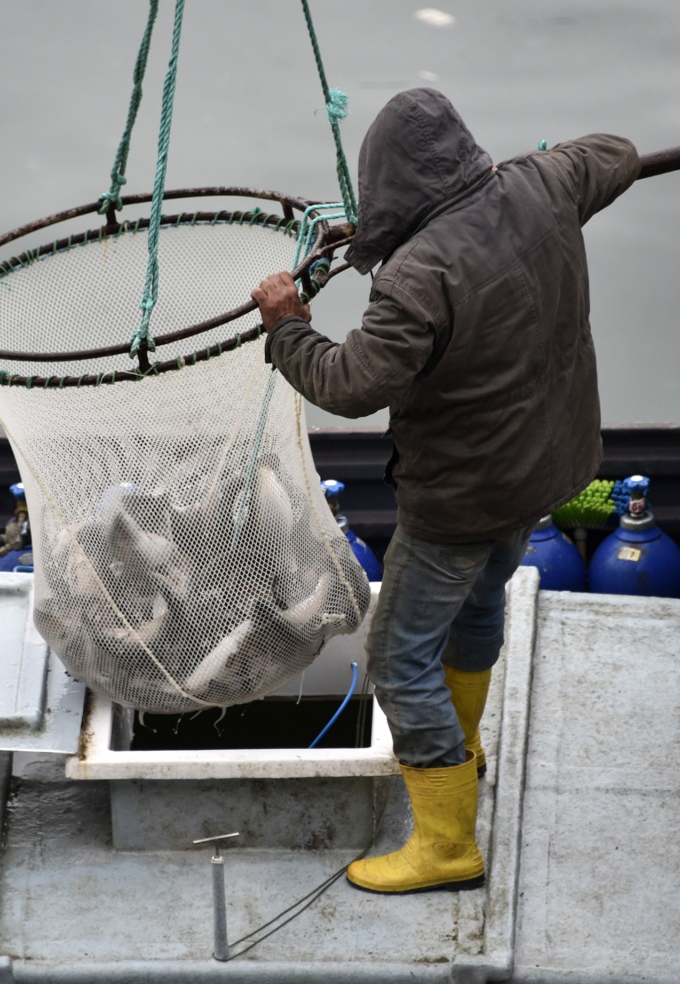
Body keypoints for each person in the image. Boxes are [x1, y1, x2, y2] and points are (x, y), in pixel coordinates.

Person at [251, 88, 639, 895]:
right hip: (549, 468)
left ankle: (447, 844)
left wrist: (286, 325)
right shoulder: (546, 183)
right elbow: (617, 152)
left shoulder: (418, 278)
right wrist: (534, 170)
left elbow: (350, 382)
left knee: (397, 661)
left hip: (463, 497)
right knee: (481, 599)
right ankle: (466, 747)